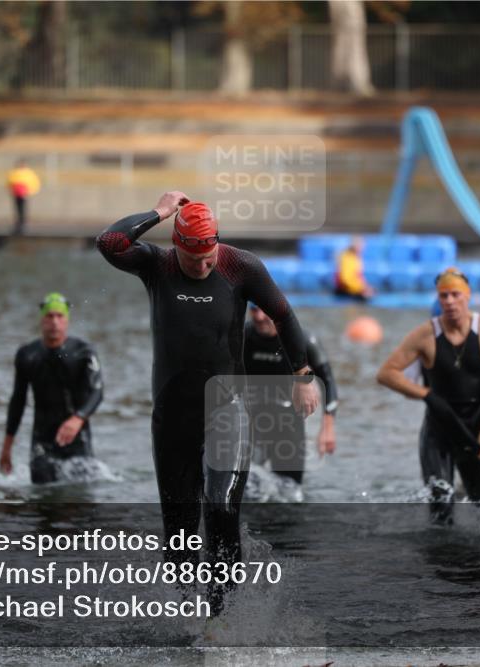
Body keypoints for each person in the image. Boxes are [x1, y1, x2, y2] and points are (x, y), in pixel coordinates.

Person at [96, 191, 318, 614]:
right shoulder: (156, 264)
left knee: (220, 509)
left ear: (218, 242)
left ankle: (224, 615)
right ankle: (186, 618)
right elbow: (110, 243)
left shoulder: (241, 266)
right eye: (193, 259)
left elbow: (284, 315)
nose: (203, 266)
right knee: (179, 531)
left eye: (209, 257)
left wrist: (302, 375)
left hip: (227, 410)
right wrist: (160, 212)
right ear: (176, 244)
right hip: (172, 414)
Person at [376, 268, 480, 525]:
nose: (449, 301)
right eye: (443, 296)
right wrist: (426, 395)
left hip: (476, 427)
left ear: (467, 296)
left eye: (455, 294)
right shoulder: (425, 335)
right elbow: (386, 373)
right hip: (438, 430)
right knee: (441, 510)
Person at [0, 293, 104, 484]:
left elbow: (97, 392)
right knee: (44, 499)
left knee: (80, 500)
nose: (55, 322)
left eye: (60, 316)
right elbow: (18, 401)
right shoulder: (27, 355)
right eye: (49, 316)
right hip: (42, 440)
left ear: (67, 320)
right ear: (41, 320)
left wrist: (77, 418)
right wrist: (7, 447)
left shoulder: (84, 352)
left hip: (77, 438)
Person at [243, 304, 337, 484]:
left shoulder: (302, 340)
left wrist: (328, 427)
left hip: (288, 424)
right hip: (250, 421)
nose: (259, 316)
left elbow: (328, 381)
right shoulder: (243, 336)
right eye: (254, 310)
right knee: (246, 490)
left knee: (290, 491)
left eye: (265, 310)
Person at [333, 236, 374, 300]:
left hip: (352, 289)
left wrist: (364, 287)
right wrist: (362, 288)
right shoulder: (348, 258)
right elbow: (347, 279)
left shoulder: (355, 257)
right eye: (361, 245)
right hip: (347, 291)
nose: (363, 247)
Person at [6, 160, 41, 236]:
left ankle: (23, 222)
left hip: (24, 193)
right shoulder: (14, 172)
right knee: (17, 208)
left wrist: (30, 191)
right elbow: (9, 181)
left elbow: (33, 182)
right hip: (16, 193)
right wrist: (10, 189)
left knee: (23, 208)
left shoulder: (28, 173)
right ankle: (19, 222)